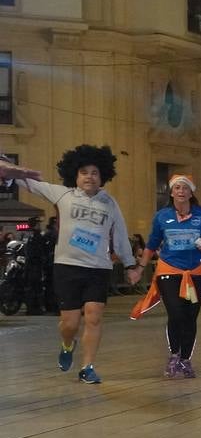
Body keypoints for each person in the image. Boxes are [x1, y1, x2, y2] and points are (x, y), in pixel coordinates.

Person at [0, 146, 141, 383]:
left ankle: (87, 367)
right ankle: (67, 344)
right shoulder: (62, 194)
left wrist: (130, 265)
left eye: (94, 172)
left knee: (94, 317)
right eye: (84, 172)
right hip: (67, 267)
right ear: (75, 176)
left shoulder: (109, 203)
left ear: (102, 176)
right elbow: (27, 182)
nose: (89, 176)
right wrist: (7, 166)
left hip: (98, 268)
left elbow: (120, 234)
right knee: (70, 323)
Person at [130, 174, 201, 378]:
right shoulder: (162, 216)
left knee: (190, 316)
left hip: (197, 273)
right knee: (176, 313)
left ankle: (186, 359)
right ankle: (174, 355)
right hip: (169, 271)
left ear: (190, 192)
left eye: (185, 188)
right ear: (171, 192)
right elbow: (151, 245)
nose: (181, 191)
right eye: (177, 188)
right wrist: (140, 268)